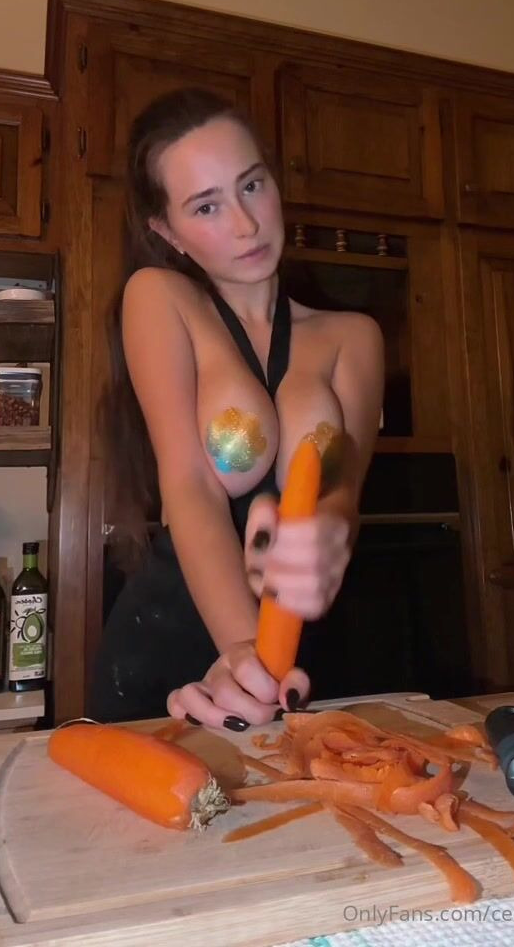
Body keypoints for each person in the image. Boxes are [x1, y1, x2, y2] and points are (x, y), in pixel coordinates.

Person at [88, 87, 384, 729]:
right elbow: (189, 485)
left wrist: (328, 535)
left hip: (310, 653)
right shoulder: (158, 297)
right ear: (167, 232)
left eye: (252, 185)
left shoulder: (355, 336)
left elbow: (342, 494)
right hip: (178, 652)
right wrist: (247, 655)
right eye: (207, 206)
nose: (246, 224)